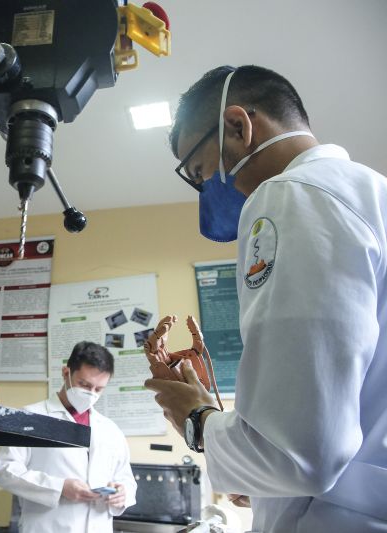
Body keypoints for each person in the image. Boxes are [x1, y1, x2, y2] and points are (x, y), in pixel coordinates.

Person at [145, 65, 387, 532]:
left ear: (238, 127)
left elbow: (298, 455)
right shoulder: (370, 194)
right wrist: (257, 476)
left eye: (200, 171)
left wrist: (195, 417)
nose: (209, 189)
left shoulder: (294, 193)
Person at [0, 341, 137, 533]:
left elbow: (126, 479)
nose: (91, 393)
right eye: (84, 384)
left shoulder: (110, 430)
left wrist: (122, 494)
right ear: (66, 372)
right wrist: (59, 487)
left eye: (98, 389)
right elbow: (4, 470)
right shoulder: (29, 417)